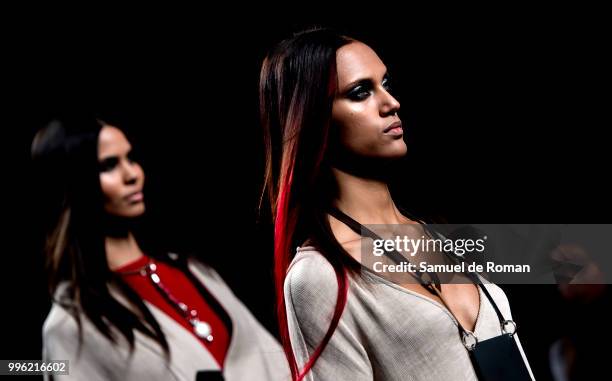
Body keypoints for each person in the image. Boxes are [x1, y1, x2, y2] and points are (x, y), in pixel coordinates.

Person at [259, 28, 534, 380]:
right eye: (360, 92)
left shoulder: (440, 234)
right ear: (311, 117)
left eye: (386, 84)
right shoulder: (319, 277)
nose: (391, 103)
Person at [33, 114, 289, 380]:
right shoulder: (71, 324)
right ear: (72, 182)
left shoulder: (194, 271)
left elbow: (275, 362)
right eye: (108, 165)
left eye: (130, 159)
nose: (132, 174)